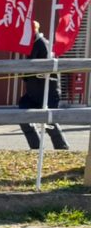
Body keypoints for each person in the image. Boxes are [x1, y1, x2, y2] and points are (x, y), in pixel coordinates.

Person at [18, 21, 69, 150]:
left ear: (34, 30)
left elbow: (47, 66)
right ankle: (36, 147)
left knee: (48, 120)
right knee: (22, 114)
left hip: (47, 90)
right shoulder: (30, 44)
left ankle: (62, 148)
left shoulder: (43, 44)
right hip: (33, 91)